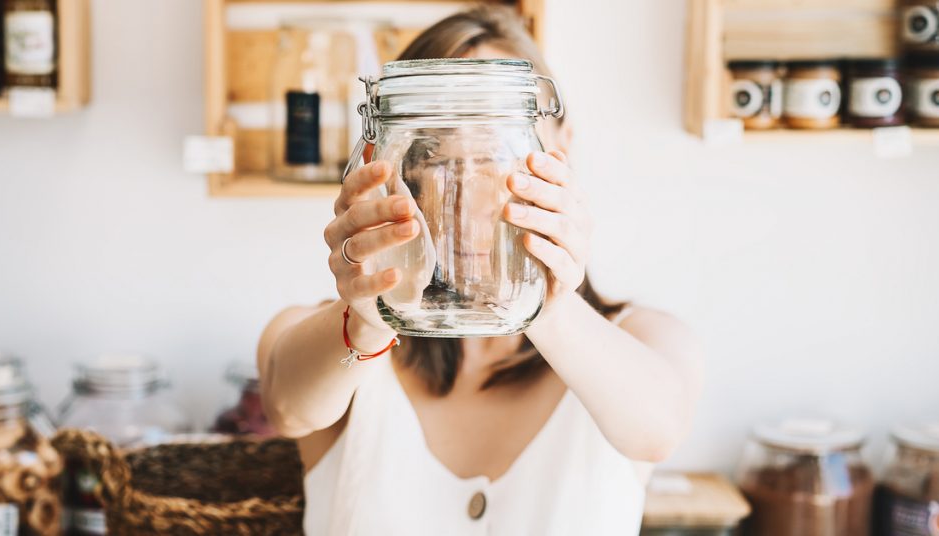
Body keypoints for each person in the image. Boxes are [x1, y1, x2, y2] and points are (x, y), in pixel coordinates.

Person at [257, 6, 704, 535]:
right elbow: (289, 407)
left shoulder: (643, 337)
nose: (467, 198)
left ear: (560, 151)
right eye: (438, 157)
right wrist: (371, 313)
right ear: (391, 162)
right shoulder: (336, 341)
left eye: (495, 158)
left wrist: (543, 298)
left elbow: (657, 431)